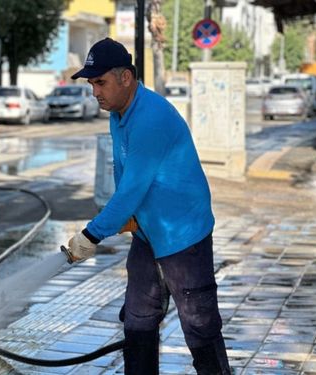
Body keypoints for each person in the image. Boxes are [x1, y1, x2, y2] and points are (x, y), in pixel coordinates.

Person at [66, 38, 231, 375]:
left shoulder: (151, 117)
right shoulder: (119, 113)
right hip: (147, 233)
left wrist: (91, 235)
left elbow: (130, 190)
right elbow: (123, 174)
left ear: (125, 77)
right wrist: (129, 219)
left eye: (101, 82)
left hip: (183, 234)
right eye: (91, 83)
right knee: (138, 318)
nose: (95, 91)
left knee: (198, 323)